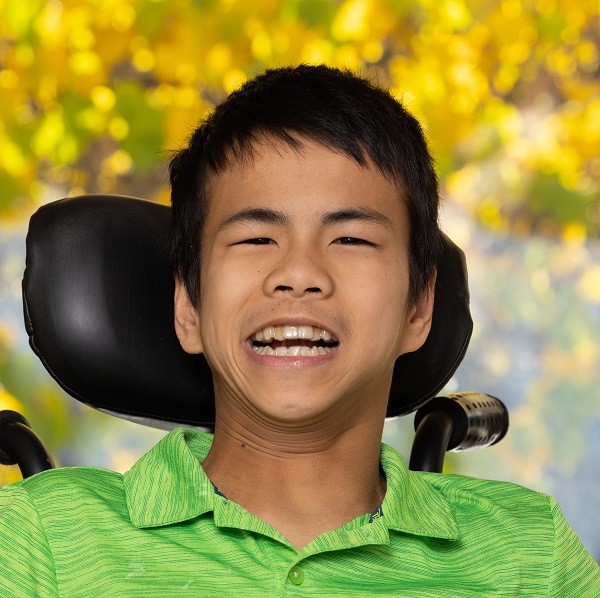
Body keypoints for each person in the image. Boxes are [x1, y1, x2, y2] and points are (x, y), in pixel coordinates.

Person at [1, 64, 598, 596]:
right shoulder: (37, 543)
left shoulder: (530, 555)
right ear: (188, 306)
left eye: (351, 239)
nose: (299, 274)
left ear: (419, 306)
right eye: (257, 238)